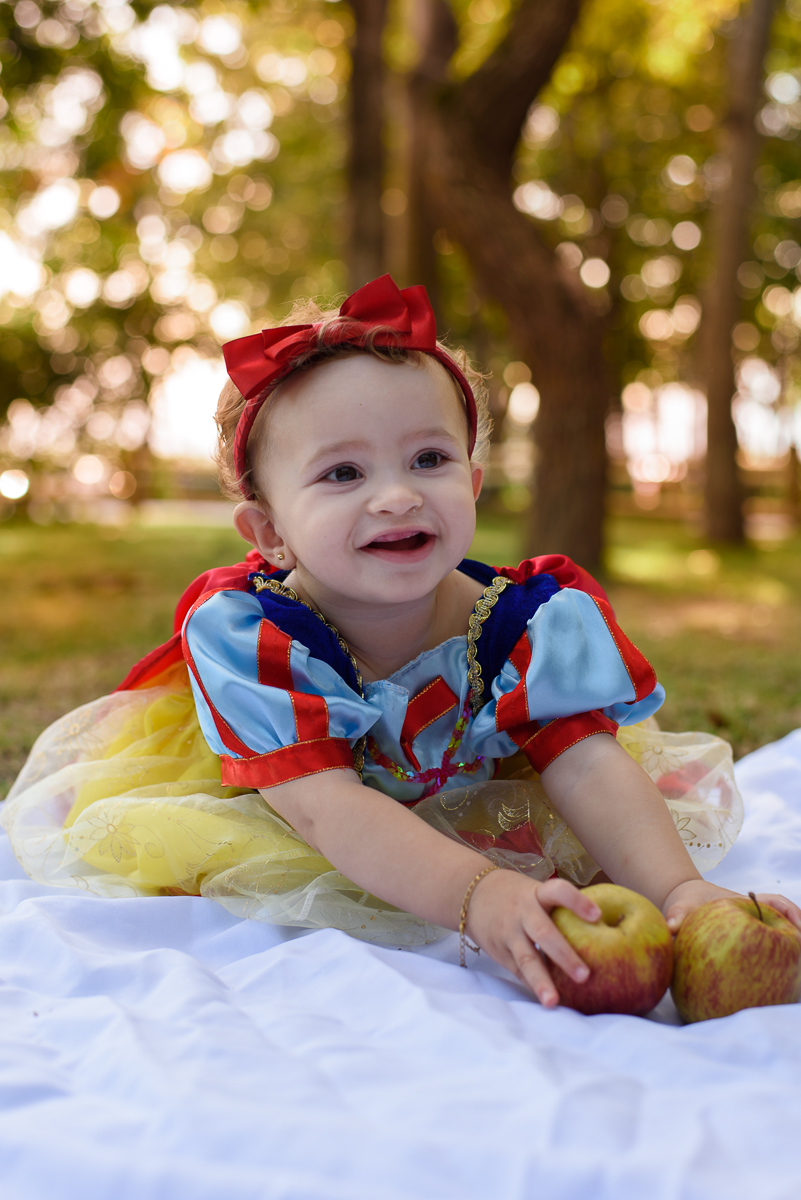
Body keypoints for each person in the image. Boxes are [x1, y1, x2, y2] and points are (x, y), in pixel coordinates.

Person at [5, 275, 799, 1007]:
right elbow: (325, 810)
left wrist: (678, 892)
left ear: (473, 484)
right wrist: (479, 896)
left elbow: (587, 761)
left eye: (429, 459)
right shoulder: (250, 639)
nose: (396, 495)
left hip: (474, 801)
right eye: (342, 474)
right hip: (314, 816)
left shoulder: (528, 621)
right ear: (269, 532)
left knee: (604, 781)